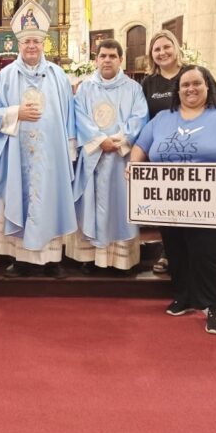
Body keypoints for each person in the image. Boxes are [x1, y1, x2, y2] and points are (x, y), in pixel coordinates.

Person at [130, 65, 216, 334]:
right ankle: (185, 296)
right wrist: (134, 166)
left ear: (207, 85)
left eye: (196, 83)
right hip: (171, 202)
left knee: (207, 254)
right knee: (177, 251)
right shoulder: (164, 117)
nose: (190, 89)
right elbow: (141, 145)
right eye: (185, 85)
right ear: (178, 90)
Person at [0, 0, 77, 278]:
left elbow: (69, 114)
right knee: (20, 199)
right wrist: (16, 113)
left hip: (51, 154)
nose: (32, 46)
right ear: (18, 45)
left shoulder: (59, 76)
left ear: (44, 43)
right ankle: (20, 259)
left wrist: (70, 150)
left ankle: (52, 260)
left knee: (50, 198)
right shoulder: (6, 76)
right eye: (27, 42)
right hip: (17, 153)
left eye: (36, 41)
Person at [68, 39, 148, 272]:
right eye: (103, 56)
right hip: (94, 156)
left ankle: (120, 260)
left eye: (112, 56)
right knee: (92, 204)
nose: (107, 60)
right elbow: (79, 115)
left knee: (119, 205)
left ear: (120, 60)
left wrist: (120, 140)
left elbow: (140, 117)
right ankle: (93, 258)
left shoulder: (133, 88)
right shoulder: (85, 88)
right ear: (96, 60)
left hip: (121, 158)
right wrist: (99, 140)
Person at [141, 30, 187, 274]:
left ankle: (191, 254)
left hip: (191, 150)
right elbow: (144, 119)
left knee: (190, 205)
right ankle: (168, 253)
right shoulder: (149, 83)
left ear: (175, 47)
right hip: (161, 153)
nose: (162, 53)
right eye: (156, 49)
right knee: (167, 207)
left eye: (166, 47)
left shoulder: (192, 74)